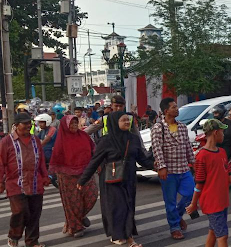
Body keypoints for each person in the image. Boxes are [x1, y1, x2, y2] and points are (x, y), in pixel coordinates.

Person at [77, 112, 154, 247]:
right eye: (123, 120)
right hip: (112, 179)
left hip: (129, 178)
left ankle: (126, 234)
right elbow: (94, 162)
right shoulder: (106, 141)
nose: (126, 122)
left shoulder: (133, 139)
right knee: (118, 208)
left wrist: (156, 167)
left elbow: (141, 158)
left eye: (128, 120)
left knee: (129, 206)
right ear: (114, 122)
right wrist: (82, 180)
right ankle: (125, 237)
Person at [185, 119, 231, 247]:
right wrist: (193, 204)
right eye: (222, 131)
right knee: (223, 236)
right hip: (212, 203)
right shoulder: (202, 156)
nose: (224, 134)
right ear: (215, 132)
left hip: (222, 200)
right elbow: (199, 183)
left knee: (213, 232)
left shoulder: (221, 152)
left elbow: (227, 174)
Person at [0, 113, 49, 247]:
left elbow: (41, 161)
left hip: (35, 183)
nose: (29, 126)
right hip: (15, 184)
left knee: (34, 213)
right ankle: (13, 236)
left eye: (29, 123)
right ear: (16, 125)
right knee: (20, 211)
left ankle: (32, 241)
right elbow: (1, 163)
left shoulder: (36, 140)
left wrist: (45, 176)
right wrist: (0, 183)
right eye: (25, 123)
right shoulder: (6, 142)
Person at [151, 98, 195, 240]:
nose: (177, 109)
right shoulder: (159, 128)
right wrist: (162, 167)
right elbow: (157, 149)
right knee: (170, 201)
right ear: (166, 111)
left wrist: (194, 163)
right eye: (174, 107)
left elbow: (188, 147)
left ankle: (177, 215)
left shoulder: (182, 126)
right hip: (168, 171)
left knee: (190, 194)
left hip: (183, 168)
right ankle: (174, 227)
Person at [48, 116, 98, 238]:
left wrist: (98, 163)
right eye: (71, 124)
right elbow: (56, 159)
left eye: (76, 123)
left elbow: (94, 149)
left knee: (92, 196)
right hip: (67, 176)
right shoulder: (61, 140)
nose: (74, 126)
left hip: (85, 172)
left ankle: (80, 216)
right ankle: (76, 227)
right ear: (65, 126)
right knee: (73, 202)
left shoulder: (84, 136)